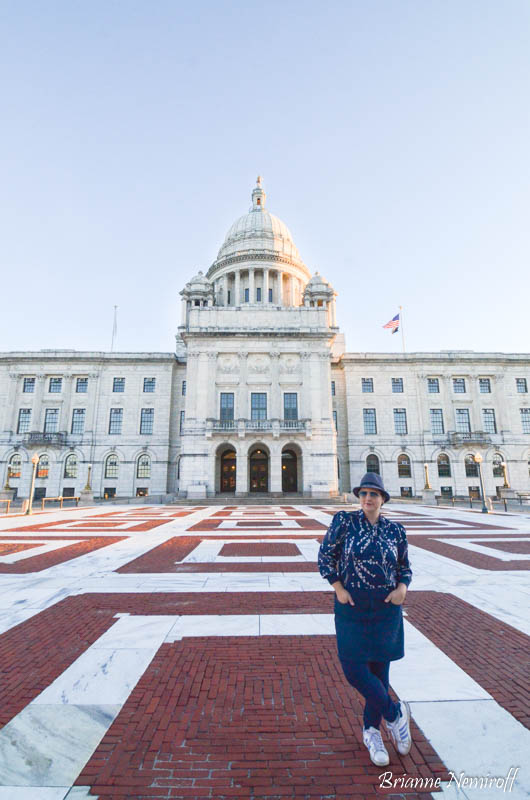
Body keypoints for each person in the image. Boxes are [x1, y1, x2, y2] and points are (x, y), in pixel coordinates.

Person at [318, 472, 413, 767]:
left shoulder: (395, 530)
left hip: (385, 608)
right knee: (353, 669)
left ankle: (371, 732)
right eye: (363, 494)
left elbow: (404, 567)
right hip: (352, 605)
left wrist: (402, 589)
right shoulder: (344, 523)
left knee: (380, 675)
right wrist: (338, 588)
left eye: (373, 494)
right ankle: (395, 714)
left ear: (383, 498)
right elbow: (325, 557)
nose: (368, 499)